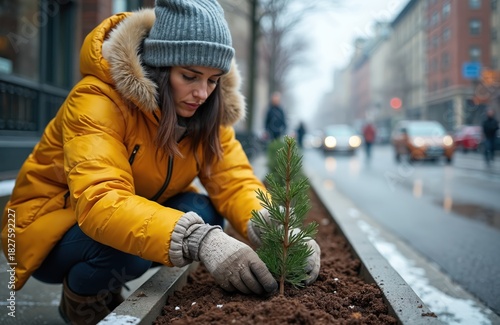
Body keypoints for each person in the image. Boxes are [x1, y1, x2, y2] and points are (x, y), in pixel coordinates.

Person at [0, 1, 321, 324]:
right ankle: (83, 301)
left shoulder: (207, 113)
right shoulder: (98, 100)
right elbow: (100, 201)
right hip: (48, 228)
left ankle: (105, 283)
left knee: (205, 211)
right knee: (129, 249)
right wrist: (200, 240)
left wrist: (273, 230)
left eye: (213, 80)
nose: (202, 93)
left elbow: (234, 181)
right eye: (190, 76)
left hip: (123, 213)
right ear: (158, 66)